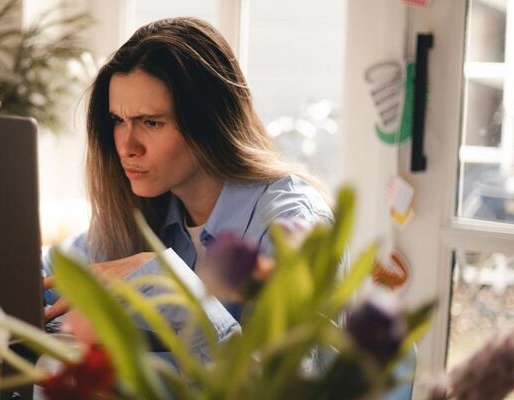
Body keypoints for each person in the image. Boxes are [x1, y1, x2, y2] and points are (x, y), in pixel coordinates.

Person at [41, 17, 333, 359]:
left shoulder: (294, 226)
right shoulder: (147, 211)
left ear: (211, 125)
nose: (126, 146)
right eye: (118, 121)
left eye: (151, 122)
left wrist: (166, 280)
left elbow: (280, 385)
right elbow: (48, 272)